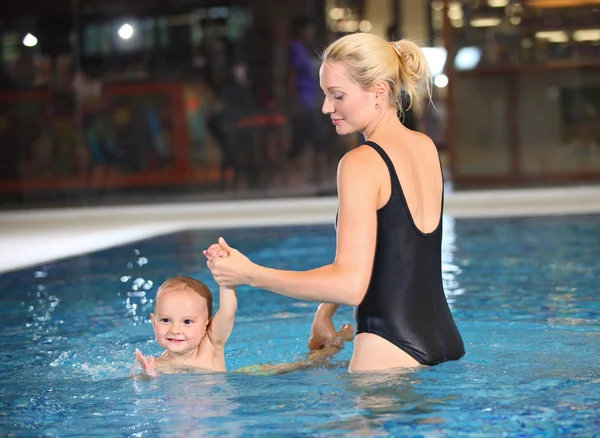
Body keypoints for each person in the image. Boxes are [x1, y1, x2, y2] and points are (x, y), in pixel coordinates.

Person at [204, 32, 465, 372]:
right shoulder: (425, 146)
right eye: (326, 95)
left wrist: (249, 273)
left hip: (387, 350)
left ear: (379, 91)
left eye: (337, 95)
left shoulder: (360, 163)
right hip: (445, 340)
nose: (327, 107)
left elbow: (350, 285)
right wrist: (324, 312)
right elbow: (392, 250)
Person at [133, 270, 237, 377]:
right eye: (165, 320)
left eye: (187, 322)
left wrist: (226, 279)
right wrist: (149, 377)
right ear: (154, 323)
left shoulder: (211, 345)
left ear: (206, 326)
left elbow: (228, 311)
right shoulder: (154, 365)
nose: (175, 330)